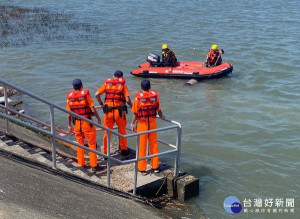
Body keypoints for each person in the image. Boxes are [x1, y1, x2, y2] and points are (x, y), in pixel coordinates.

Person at [95, 70, 132, 157]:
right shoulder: (123, 85)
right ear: (121, 77)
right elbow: (127, 100)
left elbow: (97, 94)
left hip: (108, 112)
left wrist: (101, 104)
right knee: (122, 131)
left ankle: (105, 153)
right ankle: (123, 150)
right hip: (119, 112)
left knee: (107, 132)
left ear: (113, 76)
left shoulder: (107, 84)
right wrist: (133, 107)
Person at [131, 80, 165, 175]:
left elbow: (135, 113)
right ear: (150, 87)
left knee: (142, 146)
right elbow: (159, 110)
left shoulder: (138, 99)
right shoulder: (155, 97)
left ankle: (142, 168)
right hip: (153, 124)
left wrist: (132, 124)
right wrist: (162, 117)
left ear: (141, 88)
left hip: (142, 124)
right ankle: (155, 167)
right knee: (154, 145)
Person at [66, 79, 101, 170]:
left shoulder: (70, 98)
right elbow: (93, 109)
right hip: (87, 122)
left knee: (80, 144)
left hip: (77, 123)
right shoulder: (86, 96)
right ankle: (94, 165)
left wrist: (69, 125)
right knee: (92, 144)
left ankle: (81, 163)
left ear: (73, 87)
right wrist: (98, 119)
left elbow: (69, 115)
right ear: (82, 86)